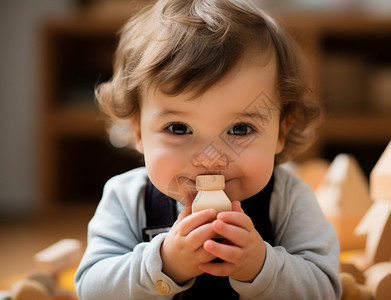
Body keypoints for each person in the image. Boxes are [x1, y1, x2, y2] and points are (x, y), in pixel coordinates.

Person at [75, 0, 342, 299]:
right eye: (179, 128)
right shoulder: (127, 199)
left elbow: (324, 288)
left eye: (240, 129)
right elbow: (91, 289)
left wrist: (261, 267)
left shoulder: (289, 200)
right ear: (138, 130)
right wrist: (164, 264)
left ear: (281, 130)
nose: (210, 158)